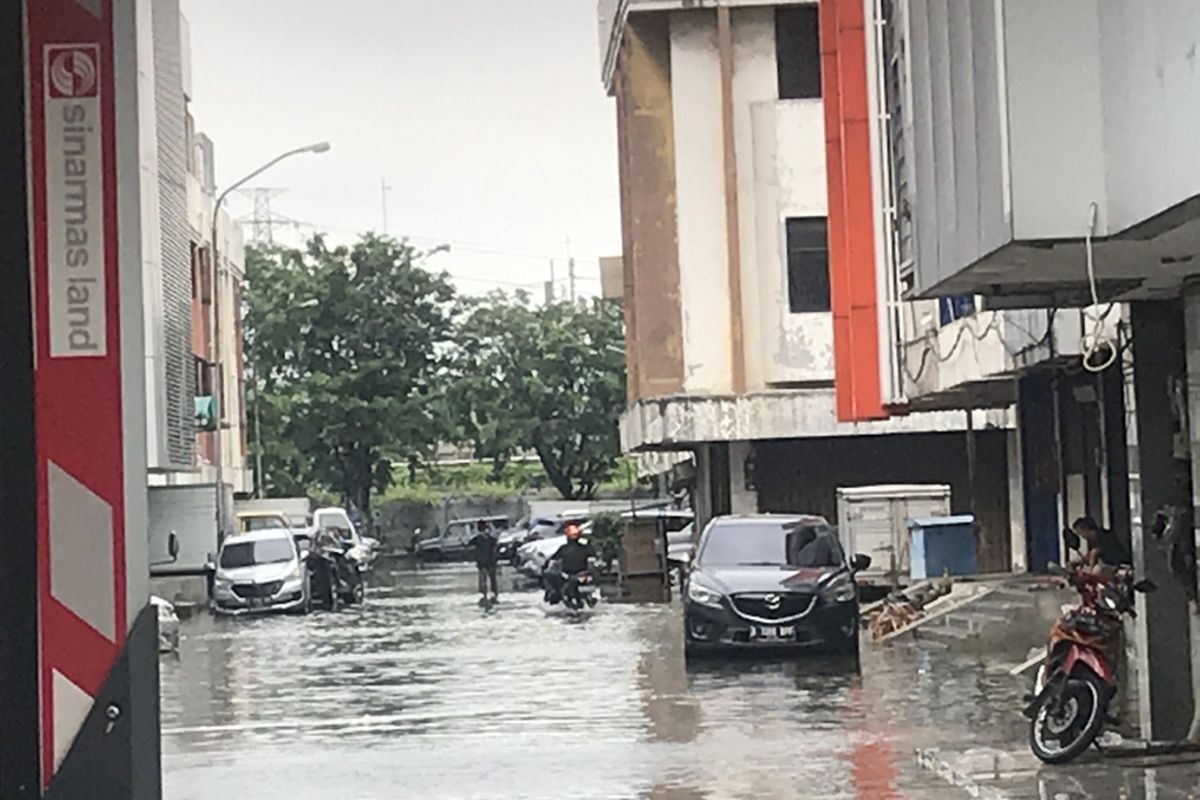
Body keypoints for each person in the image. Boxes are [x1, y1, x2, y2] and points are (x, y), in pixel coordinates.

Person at [543, 523, 595, 605]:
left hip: (571, 575)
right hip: (581, 575)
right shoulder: (585, 547)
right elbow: (593, 558)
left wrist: (547, 563)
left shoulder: (564, 548)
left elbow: (554, 558)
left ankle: (560, 596)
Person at [468, 519, 500, 605]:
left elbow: (468, 544)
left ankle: (484, 594)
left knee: (483, 579)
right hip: (491, 561)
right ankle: (494, 594)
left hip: (481, 562)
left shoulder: (477, 539)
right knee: (492, 579)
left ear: (478, 528)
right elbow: (495, 545)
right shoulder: (490, 538)